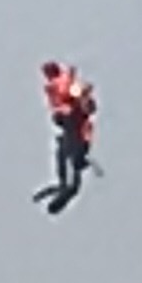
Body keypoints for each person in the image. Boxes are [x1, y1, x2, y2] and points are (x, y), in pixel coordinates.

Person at [37, 60, 98, 212]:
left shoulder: (67, 81)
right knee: (63, 152)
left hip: (77, 128)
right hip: (70, 125)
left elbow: (83, 100)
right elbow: (57, 104)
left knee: (70, 153)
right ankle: (63, 184)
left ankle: (66, 185)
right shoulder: (54, 87)